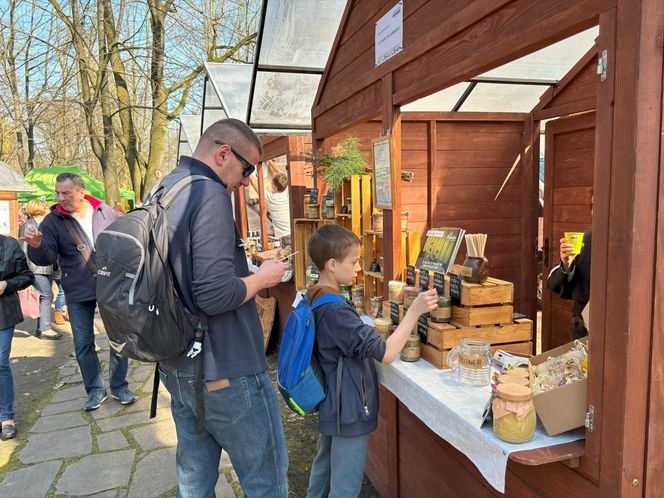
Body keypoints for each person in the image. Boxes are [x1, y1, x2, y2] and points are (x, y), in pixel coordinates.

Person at [156, 118, 289, 497]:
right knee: (266, 479)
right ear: (223, 153)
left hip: (177, 363)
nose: (247, 180)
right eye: (247, 169)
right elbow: (214, 295)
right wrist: (264, 277)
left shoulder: (168, 186)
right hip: (225, 366)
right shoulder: (210, 195)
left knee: (194, 480)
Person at [305, 224, 438, 498]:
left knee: (323, 474)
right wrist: (414, 312)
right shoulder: (336, 311)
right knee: (344, 486)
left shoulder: (315, 294)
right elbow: (387, 353)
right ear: (332, 264)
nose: (358, 268)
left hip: (333, 403)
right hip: (349, 408)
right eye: (353, 261)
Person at [20, 173, 135, 410]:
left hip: (111, 286)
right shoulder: (52, 221)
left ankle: (119, 386)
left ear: (82, 192)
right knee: (83, 344)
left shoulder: (104, 212)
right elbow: (47, 258)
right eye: (57, 193)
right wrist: (37, 246)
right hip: (77, 289)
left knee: (119, 339)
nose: (60, 198)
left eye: (66, 193)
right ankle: (94, 390)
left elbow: (122, 243)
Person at [0, 234, 35, 440]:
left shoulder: (9, 245)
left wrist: (7, 284)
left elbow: (26, 276)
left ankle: (6, 417)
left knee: (0, 363)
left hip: (3, 313)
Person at [20, 200, 62, 339]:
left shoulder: (42, 224)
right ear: (39, 209)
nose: (48, 209)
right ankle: (45, 328)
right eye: (45, 207)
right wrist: (26, 272)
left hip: (46, 267)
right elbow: (24, 250)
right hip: (36, 268)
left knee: (44, 296)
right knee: (47, 295)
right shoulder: (29, 225)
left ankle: (41, 327)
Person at [547, 232, 591, 338]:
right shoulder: (584, 240)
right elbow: (552, 282)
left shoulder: (635, 242)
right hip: (583, 325)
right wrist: (566, 263)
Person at [249, 160, 291, 239]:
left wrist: (247, 165)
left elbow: (254, 182)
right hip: (293, 232)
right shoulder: (287, 192)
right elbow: (280, 174)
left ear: (274, 186)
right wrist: (269, 160)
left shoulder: (270, 198)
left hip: (283, 237)